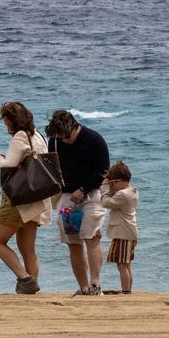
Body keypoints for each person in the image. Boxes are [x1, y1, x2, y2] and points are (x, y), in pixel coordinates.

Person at [0, 101, 52, 295]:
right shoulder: (38, 136)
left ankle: (25, 279)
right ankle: (31, 291)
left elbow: (11, 164)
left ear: (13, 120)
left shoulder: (20, 136)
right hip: (37, 199)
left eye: (6, 122)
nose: (6, 125)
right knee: (28, 249)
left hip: (19, 199)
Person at [45, 109, 110, 296]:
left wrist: (83, 190)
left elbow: (103, 170)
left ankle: (95, 284)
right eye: (60, 137)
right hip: (66, 197)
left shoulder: (94, 139)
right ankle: (83, 287)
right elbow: (52, 167)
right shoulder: (55, 141)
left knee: (91, 236)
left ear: (75, 126)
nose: (65, 140)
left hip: (92, 195)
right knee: (72, 242)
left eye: (67, 136)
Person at [100, 160, 139, 294]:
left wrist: (104, 189)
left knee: (122, 264)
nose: (113, 185)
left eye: (114, 182)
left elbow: (106, 203)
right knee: (125, 264)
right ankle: (127, 289)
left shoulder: (123, 194)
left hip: (124, 233)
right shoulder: (132, 190)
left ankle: (126, 291)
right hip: (128, 232)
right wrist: (111, 184)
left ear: (121, 181)